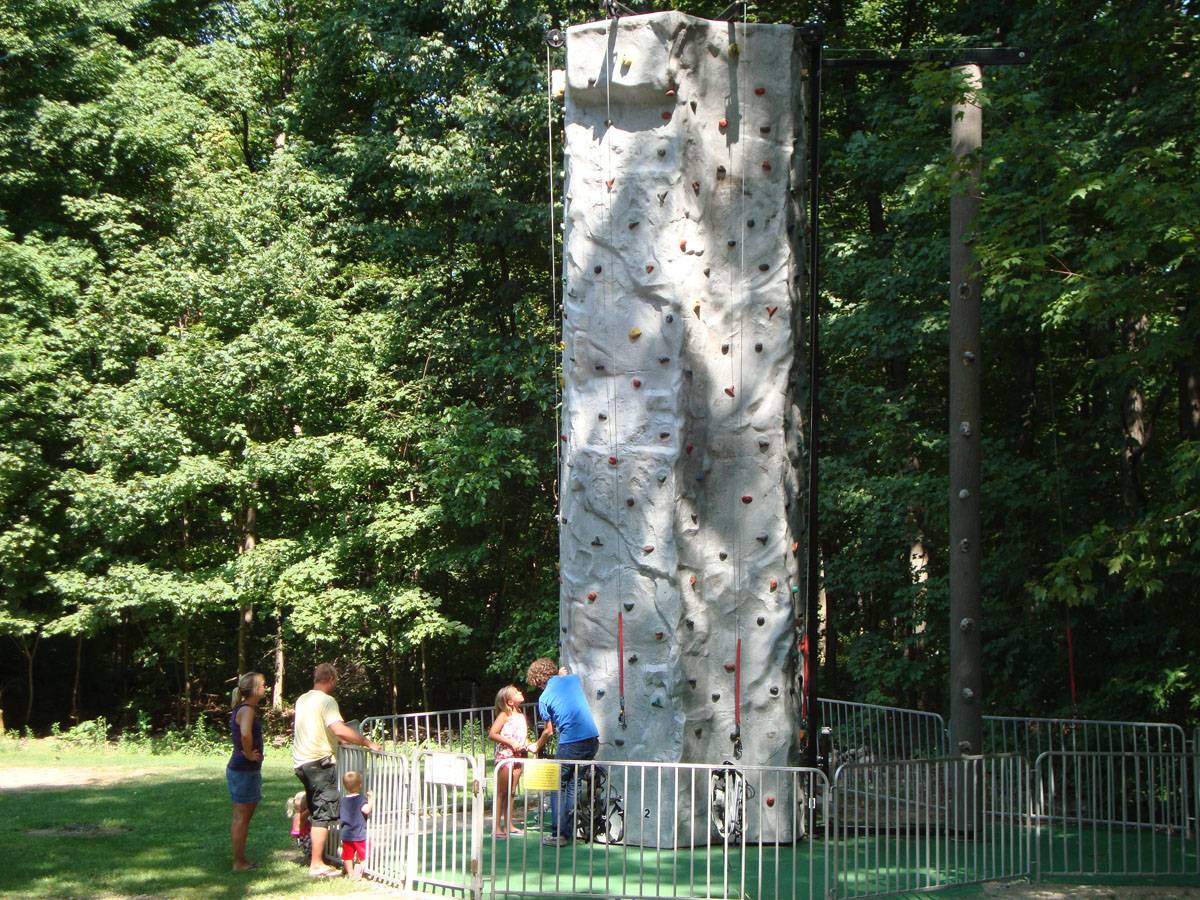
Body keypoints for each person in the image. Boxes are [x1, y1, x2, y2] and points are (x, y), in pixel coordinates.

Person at [293, 662, 381, 878]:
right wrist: (367, 743)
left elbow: (323, 730)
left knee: (316, 810)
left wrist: (339, 740)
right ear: (331, 679)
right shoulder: (327, 701)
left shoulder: (303, 699)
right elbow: (338, 728)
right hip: (319, 763)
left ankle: (313, 855)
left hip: (302, 762)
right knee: (324, 813)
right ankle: (317, 864)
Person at [526, 658, 599, 847]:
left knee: (557, 786)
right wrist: (559, 676)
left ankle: (559, 834)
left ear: (536, 681)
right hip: (591, 739)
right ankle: (568, 832)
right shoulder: (572, 679)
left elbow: (549, 730)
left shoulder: (544, 698)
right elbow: (561, 680)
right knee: (573, 785)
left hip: (571, 742)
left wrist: (536, 745)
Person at [227, 671, 266, 871]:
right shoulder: (247, 710)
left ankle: (240, 859)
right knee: (241, 817)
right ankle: (239, 862)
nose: (265, 688)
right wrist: (249, 754)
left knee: (242, 817)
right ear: (253, 689)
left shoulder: (245, 708)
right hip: (244, 769)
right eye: (262, 685)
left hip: (243, 769)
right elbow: (245, 735)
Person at [488, 685, 532, 838]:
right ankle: (497, 827)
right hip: (506, 757)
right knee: (502, 792)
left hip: (519, 756)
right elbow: (492, 734)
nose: (520, 692)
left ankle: (509, 824)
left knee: (512, 791)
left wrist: (527, 744)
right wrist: (510, 742)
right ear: (509, 701)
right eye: (516, 692)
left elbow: (522, 734)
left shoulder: (520, 714)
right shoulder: (504, 715)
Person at [338, 771, 373, 880]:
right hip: (359, 834)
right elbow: (366, 810)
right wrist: (371, 799)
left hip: (346, 834)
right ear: (360, 785)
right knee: (364, 855)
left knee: (347, 856)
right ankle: (360, 873)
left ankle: (351, 874)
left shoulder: (343, 800)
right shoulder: (361, 799)